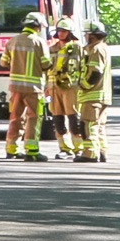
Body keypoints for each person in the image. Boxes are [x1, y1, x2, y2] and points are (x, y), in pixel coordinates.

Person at [1, 12, 50, 160]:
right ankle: (32, 151)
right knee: (34, 118)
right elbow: (46, 64)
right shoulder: (39, 42)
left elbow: (3, 62)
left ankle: (12, 149)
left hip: (15, 88)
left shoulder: (12, 41)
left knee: (15, 117)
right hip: (34, 89)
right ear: (37, 27)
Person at [48, 20, 84, 159]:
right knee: (57, 118)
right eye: (59, 31)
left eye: (64, 31)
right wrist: (47, 87)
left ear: (70, 33)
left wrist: (83, 85)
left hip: (72, 88)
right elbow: (48, 70)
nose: (61, 33)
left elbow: (83, 67)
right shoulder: (52, 49)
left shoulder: (77, 48)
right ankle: (64, 148)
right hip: (54, 88)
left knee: (74, 117)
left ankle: (78, 148)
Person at [78, 22, 113, 162]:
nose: (86, 36)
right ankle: (102, 152)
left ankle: (90, 154)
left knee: (88, 124)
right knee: (99, 126)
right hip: (102, 95)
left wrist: (84, 86)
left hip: (93, 95)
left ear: (93, 35)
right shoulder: (104, 48)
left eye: (87, 34)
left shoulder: (96, 49)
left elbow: (95, 73)